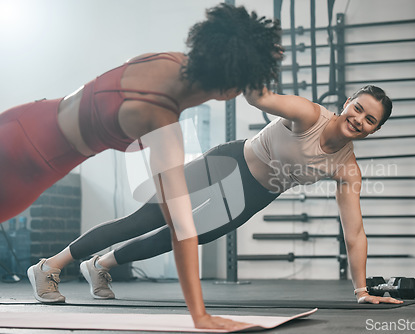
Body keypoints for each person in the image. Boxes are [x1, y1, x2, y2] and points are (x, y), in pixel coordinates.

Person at [1, 3, 282, 330]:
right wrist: (200, 316)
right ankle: (50, 267)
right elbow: (183, 229)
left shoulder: (168, 59)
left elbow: (231, 47)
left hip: (22, 120)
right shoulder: (160, 122)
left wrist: (253, 51)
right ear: (229, 92)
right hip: (31, 165)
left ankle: (50, 267)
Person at [32, 84, 401, 308]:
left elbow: (354, 233)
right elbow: (263, 98)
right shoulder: (308, 115)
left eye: (370, 120)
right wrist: (248, 68)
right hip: (229, 162)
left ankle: (100, 266)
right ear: (348, 101)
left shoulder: (347, 168)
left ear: (375, 130)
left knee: (182, 237)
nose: (359, 120)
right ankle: (50, 266)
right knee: (147, 218)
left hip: (255, 195)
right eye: (359, 108)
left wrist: (361, 290)